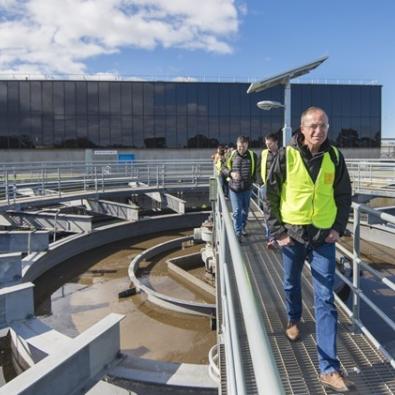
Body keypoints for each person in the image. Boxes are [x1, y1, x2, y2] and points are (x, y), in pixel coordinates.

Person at [265, 107, 352, 392]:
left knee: (325, 299)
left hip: (323, 238)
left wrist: (338, 227)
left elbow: (343, 195)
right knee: (291, 283)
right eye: (313, 126)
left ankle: (328, 368)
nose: (319, 131)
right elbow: (272, 193)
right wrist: (278, 231)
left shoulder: (335, 157)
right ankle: (293, 318)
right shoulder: (286, 155)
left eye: (324, 125)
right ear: (302, 128)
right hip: (293, 235)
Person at [222, 136, 257, 241]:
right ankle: (238, 233)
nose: (241, 149)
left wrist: (254, 180)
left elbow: (256, 170)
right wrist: (231, 173)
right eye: (239, 146)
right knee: (237, 211)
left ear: (247, 145)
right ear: (237, 145)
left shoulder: (253, 155)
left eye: (243, 146)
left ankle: (242, 227)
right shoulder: (231, 154)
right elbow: (223, 168)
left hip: (247, 188)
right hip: (234, 188)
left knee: (245, 212)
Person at [257, 133, 279, 239]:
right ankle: (269, 235)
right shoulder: (264, 153)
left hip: (279, 188)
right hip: (265, 187)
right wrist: (261, 184)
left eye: (270, 144)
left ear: (276, 142)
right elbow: (258, 169)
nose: (268, 146)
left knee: (277, 211)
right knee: (267, 211)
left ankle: (276, 234)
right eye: (266, 144)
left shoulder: (282, 153)